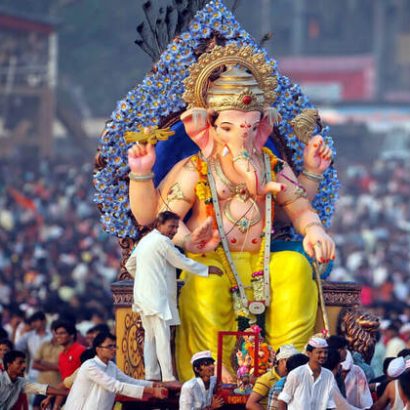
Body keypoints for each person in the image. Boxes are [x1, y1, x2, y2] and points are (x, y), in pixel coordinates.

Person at [127, 45, 336, 381]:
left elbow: (298, 207)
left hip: (261, 258)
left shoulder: (270, 165)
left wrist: (315, 230)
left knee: (296, 268)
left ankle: (290, 364)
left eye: (251, 129)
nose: (243, 137)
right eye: (230, 128)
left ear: (262, 128)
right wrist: (187, 239)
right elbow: (161, 220)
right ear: (207, 128)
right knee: (205, 286)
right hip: (212, 258)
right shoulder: (196, 168)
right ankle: (213, 368)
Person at [125, 210, 218, 382]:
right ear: (159, 225)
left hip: (143, 296)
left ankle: (151, 375)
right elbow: (181, 261)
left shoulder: (146, 241)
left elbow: (130, 265)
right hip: (155, 298)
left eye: (176, 226)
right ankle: (167, 377)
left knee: (150, 338)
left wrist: (143, 278)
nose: (174, 230)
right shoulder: (162, 242)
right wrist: (207, 269)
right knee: (161, 337)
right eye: (171, 226)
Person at [63, 333, 168, 409]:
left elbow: (129, 381)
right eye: (109, 346)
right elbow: (115, 386)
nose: (113, 349)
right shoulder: (89, 366)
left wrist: (154, 384)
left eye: (114, 346)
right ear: (98, 349)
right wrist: (152, 391)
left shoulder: (111, 366)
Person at [278, 337, 336, 409]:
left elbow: (331, 403)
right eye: (319, 352)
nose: (323, 355)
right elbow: (283, 400)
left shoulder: (328, 375)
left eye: (325, 352)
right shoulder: (296, 374)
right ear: (309, 353)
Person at [0, 350, 66, 409]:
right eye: (20, 363)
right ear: (9, 365)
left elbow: (41, 388)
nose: (24, 366)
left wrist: (68, 393)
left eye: (24, 363)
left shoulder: (20, 382)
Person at [247, 344, 298, 409]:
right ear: (282, 361)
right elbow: (251, 404)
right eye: (291, 360)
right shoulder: (267, 379)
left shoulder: (294, 375)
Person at [31, 329, 63, 410]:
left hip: (57, 387)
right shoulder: (44, 344)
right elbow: (34, 365)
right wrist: (55, 367)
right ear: (52, 332)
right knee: (36, 407)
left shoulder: (63, 347)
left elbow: (61, 367)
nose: (57, 335)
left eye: (60, 333)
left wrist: (43, 362)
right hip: (42, 385)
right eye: (56, 332)